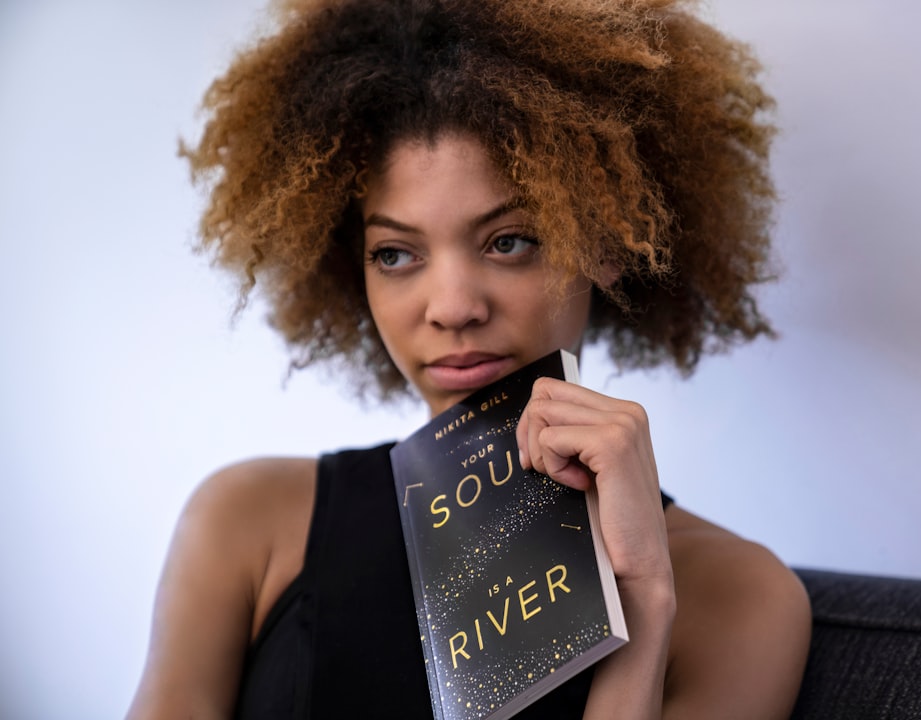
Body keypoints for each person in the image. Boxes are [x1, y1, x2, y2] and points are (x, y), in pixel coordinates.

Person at [128, 0, 811, 717]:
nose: (452, 306)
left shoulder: (738, 595)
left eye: (508, 240)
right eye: (395, 254)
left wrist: (642, 595)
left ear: (608, 242)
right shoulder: (248, 523)